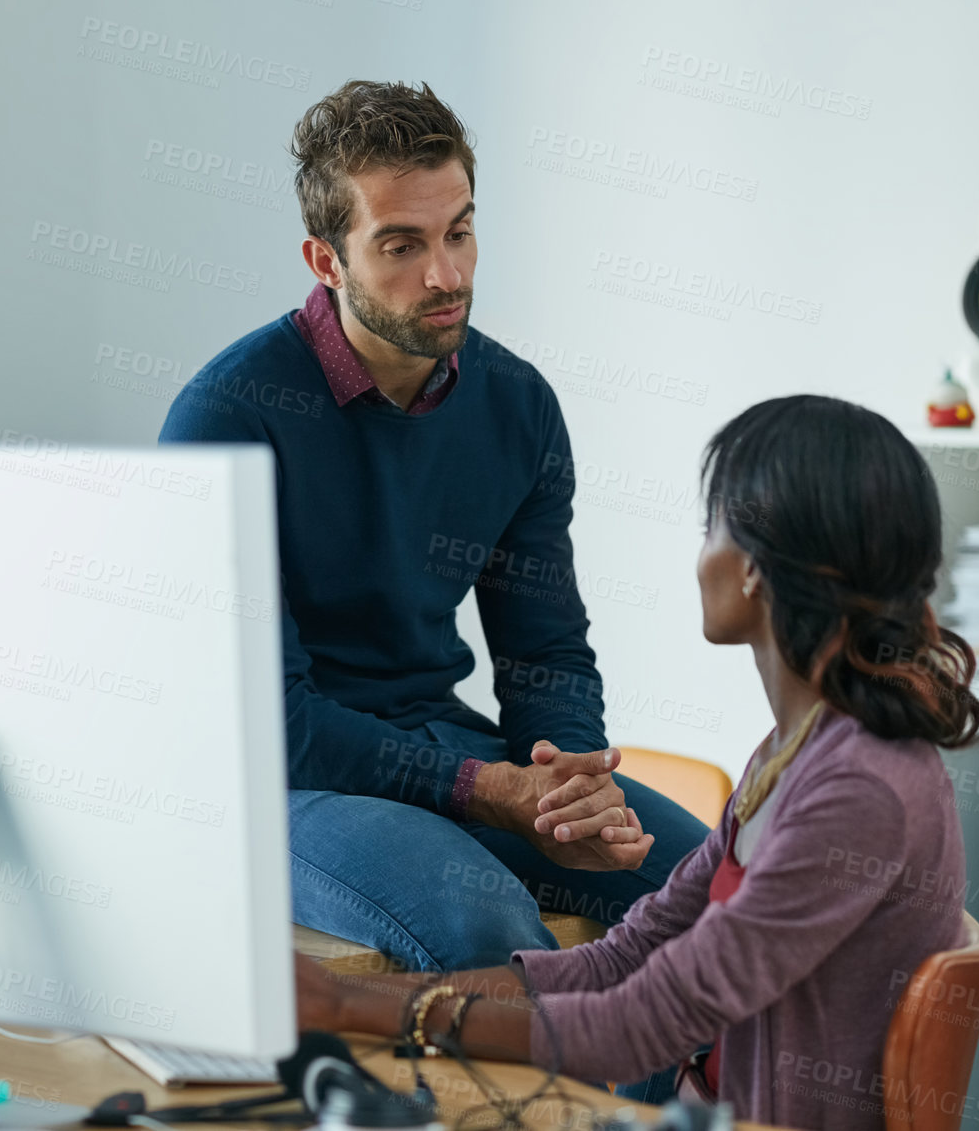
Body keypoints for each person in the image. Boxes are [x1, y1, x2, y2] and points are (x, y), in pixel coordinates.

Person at [294, 394, 979, 1129]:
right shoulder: (793, 753)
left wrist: (348, 1006)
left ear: (756, 567)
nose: (701, 556)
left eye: (710, 526)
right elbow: (626, 957)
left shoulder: (861, 789)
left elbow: (636, 1026)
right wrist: (364, 1006)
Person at [160, 79, 707, 970]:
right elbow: (274, 720)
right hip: (283, 779)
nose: (447, 274)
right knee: (484, 932)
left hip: (445, 745)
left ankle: (637, 1115)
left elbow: (546, 651)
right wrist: (488, 789)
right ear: (326, 261)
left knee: (710, 892)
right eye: (402, 245)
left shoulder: (518, 404)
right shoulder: (226, 417)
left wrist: (566, 779)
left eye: (458, 231)